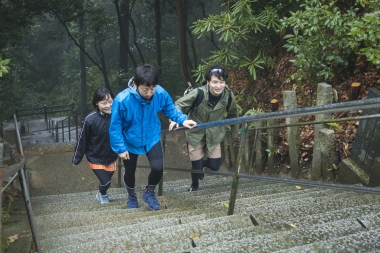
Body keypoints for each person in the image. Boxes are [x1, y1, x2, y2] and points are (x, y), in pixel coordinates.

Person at [109, 64, 197, 211]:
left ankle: (149, 192)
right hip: (130, 140)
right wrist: (120, 148)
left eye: (152, 88)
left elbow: (170, 109)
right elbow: (115, 126)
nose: (149, 93)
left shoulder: (160, 93)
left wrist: (182, 119)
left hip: (151, 136)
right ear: (136, 84)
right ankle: (131, 195)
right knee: (130, 171)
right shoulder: (122, 100)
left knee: (158, 168)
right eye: (145, 89)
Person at [169, 64, 239, 191]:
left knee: (215, 165)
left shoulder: (228, 95)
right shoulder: (198, 93)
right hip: (195, 133)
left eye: (221, 82)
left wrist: (235, 132)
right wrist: (175, 119)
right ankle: (194, 185)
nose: (218, 86)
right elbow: (179, 104)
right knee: (196, 164)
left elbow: (233, 113)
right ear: (208, 81)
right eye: (215, 82)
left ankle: (200, 166)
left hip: (214, 134)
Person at [72, 87, 118, 204]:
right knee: (106, 182)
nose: (108, 105)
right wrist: (77, 158)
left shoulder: (117, 115)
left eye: (110, 102)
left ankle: (101, 192)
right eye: (104, 103)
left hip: (111, 155)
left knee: (107, 180)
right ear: (97, 103)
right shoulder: (90, 119)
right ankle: (102, 195)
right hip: (95, 156)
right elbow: (82, 140)